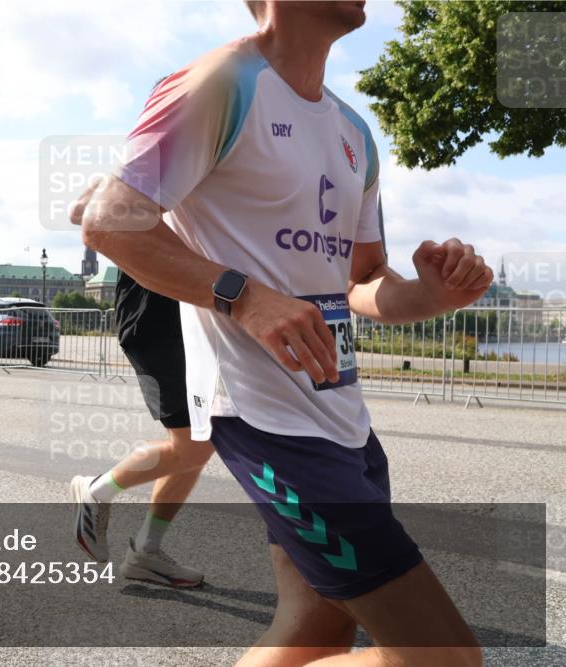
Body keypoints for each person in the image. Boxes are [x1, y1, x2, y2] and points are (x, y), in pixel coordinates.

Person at [80, 2, 490, 665]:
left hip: (344, 422)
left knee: (313, 632)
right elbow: (108, 222)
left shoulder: (354, 130)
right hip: (268, 421)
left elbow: (360, 281)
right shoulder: (220, 82)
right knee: (444, 658)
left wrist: (431, 294)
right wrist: (243, 298)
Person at [68, 176, 213, 588]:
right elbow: (81, 211)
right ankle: (96, 490)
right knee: (194, 443)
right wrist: (160, 214)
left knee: (203, 441)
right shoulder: (165, 154)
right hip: (158, 313)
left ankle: (147, 551)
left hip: (199, 311)